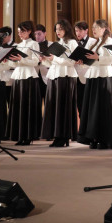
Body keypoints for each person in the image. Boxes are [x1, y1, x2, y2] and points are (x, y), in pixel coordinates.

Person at [76, 19, 112, 149]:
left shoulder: (110, 41)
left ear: (104, 28)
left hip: (104, 77)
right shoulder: (94, 42)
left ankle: (105, 139)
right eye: (93, 27)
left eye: (96, 27)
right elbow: (91, 60)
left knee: (103, 109)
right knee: (93, 110)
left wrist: (98, 57)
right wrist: (83, 62)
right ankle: (93, 137)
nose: (93, 30)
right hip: (93, 77)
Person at [41, 19, 79, 147]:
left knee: (63, 108)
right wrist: (45, 59)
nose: (58, 31)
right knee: (54, 107)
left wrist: (55, 58)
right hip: (54, 76)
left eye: (60, 29)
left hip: (66, 77)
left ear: (66, 29)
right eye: (56, 29)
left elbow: (72, 61)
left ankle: (64, 137)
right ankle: (57, 136)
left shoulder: (72, 42)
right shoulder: (57, 43)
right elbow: (53, 62)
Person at [6, 21, 41, 146]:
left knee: (27, 107)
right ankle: (19, 135)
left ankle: (28, 136)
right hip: (18, 76)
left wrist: (22, 59)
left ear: (29, 31)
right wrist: (9, 60)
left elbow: (35, 62)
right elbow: (14, 64)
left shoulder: (34, 44)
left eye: (22, 31)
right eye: (18, 31)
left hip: (29, 77)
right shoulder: (18, 45)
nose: (20, 34)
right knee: (17, 106)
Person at [73, 20, 95, 119]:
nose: (78, 33)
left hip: (89, 76)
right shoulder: (73, 42)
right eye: (76, 31)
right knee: (80, 103)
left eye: (80, 30)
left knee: (90, 103)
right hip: (76, 76)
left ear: (86, 30)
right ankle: (82, 125)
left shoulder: (93, 42)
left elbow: (95, 60)